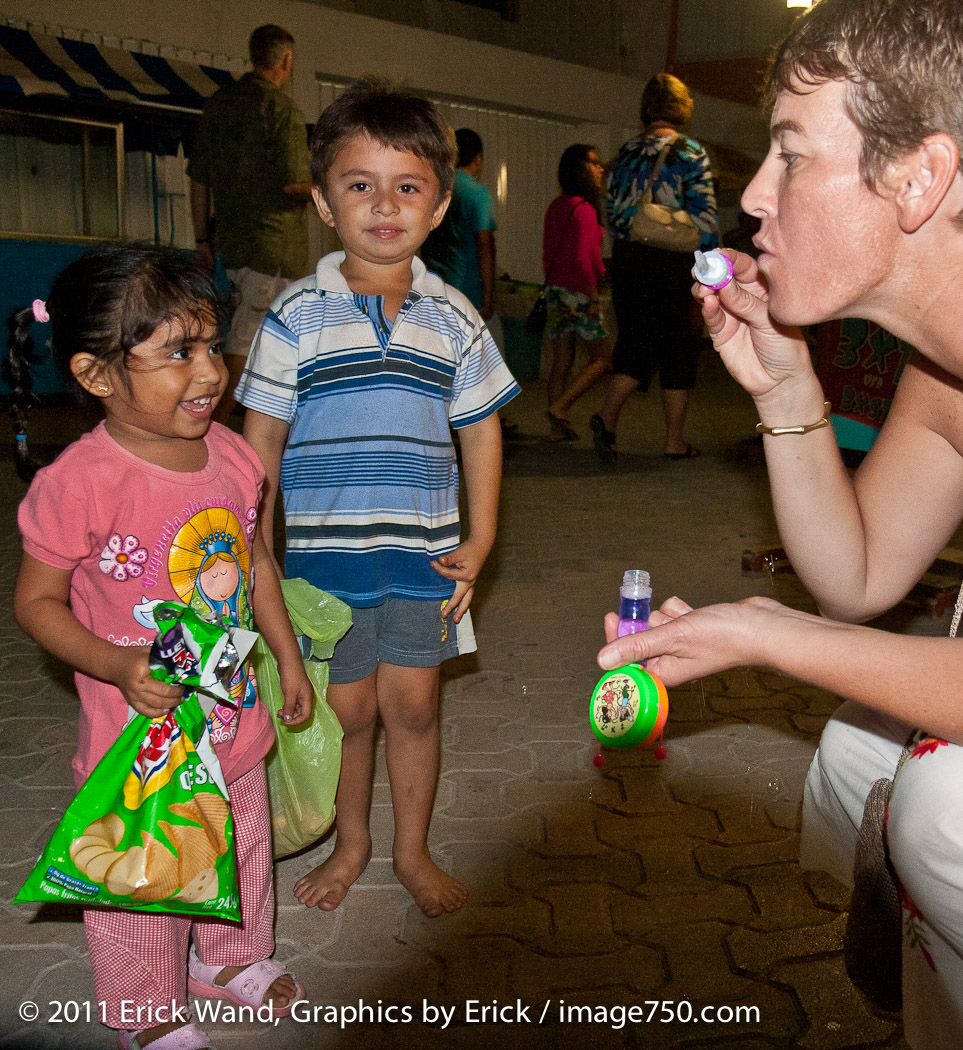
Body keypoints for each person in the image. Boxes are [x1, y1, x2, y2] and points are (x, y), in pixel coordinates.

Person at [596, 0, 963, 1044]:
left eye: (792, 154)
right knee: (857, 750)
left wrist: (768, 633)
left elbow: (824, 619)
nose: (754, 194)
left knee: (941, 807)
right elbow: (857, 575)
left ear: (919, 176)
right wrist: (785, 390)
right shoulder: (943, 375)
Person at [9, 244, 313, 1050]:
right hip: (139, 742)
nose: (209, 371)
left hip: (231, 715)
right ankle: (146, 1010)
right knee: (143, 874)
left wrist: (286, 657)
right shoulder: (79, 482)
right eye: (178, 353)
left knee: (242, 842)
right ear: (96, 374)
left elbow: (255, 563)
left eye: (210, 344)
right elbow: (35, 603)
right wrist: (117, 665)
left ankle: (228, 956)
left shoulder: (235, 455)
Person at [238, 78, 520, 918]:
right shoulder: (294, 315)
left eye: (408, 186)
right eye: (360, 184)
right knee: (348, 710)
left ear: (439, 207)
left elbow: (481, 433)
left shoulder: (454, 317)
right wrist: (256, 554)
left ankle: (410, 852)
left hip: (422, 556)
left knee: (416, 707)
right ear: (325, 203)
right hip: (325, 564)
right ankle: (351, 842)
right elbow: (259, 444)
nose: (385, 205)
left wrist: (482, 538)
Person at [187, 24, 312, 425]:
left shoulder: (219, 105)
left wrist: (202, 240)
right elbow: (293, 183)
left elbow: (199, 179)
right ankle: (212, 426)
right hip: (273, 247)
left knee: (255, 337)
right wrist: (334, 189)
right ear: (286, 62)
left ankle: (259, 421)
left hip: (234, 247)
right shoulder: (282, 110)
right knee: (246, 341)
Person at [594, 73, 717, 461]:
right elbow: (705, 221)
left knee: (635, 342)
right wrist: (711, 273)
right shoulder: (690, 152)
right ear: (682, 108)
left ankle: (607, 416)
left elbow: (614, 217)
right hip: (674, 262)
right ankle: (674, 442)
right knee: (681, 348)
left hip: (629, 259)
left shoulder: (624, 154)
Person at [543, 144, 612, 442]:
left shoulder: (557, 205)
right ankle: (561, 407)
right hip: (579, 293)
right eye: (593, 163)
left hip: (555, 291)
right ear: (578, 169)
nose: (600, 169)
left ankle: (556, 429)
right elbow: (584, 259)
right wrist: (594, 296)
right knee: (602, 359)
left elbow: (549, 253)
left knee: (562, 362)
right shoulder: (583, 209)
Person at [421, 127, 498, 321]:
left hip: (432, 287)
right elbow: (484, 243)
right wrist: (489, 297)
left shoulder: (435, 190)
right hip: (467, 291)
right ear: (478, 158)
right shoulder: (477, 194)